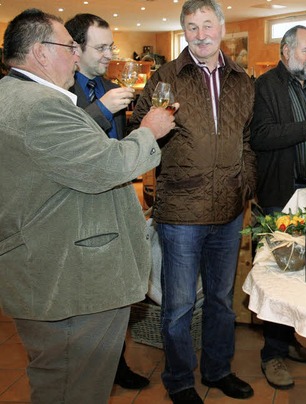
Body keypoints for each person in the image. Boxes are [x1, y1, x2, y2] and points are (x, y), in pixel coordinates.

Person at [0, 8, 176, 404]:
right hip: (68, 284)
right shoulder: (40, 106)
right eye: (69, 47)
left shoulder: (13, 96)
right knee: (72, 389)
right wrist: (149, 131)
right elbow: (105, 166)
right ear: (41, 52)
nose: (76, 57)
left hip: (44, 274)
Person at [128, 1, 256, 403]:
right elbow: (140, 132)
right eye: (191, 27)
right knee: (179, 305)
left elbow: (248, 140)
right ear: (183, 31)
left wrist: (245, 184)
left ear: (221, 26)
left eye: (206, 24)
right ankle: (180, 381)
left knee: (220, 301)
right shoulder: (166, 78)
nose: (200, 34)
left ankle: (218, 370)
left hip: (229, 211)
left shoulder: (242, 80)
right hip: (181, 212)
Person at [64, 13, 150, 390]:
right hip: (80, 212)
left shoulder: (111, 86)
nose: (108, 54)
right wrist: (102, 110)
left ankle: (116, 365)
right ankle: (88, 373)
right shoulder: (63, 93)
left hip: (116, 201)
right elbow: (68, 142)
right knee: (86, 300)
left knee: (115, 292)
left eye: (110, 46)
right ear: (75, 48)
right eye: (100, 47)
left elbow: (118, 147)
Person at [250, 25, 306, 389]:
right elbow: (260, 136)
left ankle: (289, 340)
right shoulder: (265, 87)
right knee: (279, 276)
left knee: (303, 273)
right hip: (281, 196)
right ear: (286, 51)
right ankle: (272, 354)